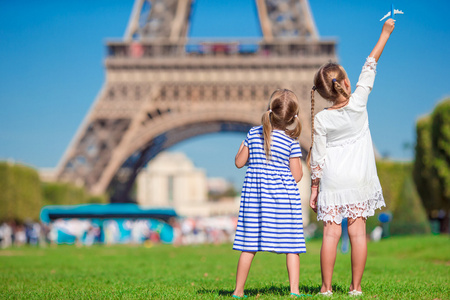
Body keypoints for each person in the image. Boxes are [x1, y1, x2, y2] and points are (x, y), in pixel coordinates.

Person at [308, 19, 396, 296]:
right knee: (358, 234)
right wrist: (385, 32)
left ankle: (325, 288)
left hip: (333, 180)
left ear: (322, 93)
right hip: (359, 177)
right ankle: (355, 288)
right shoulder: (359, 102)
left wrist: (314, 188)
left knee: (331, 235)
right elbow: (371, 62)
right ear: (345, 82)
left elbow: (318, 157)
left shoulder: (321, 119)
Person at [232, 89, 306, 298]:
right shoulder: (291, 141)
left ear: (269, 110)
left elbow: (239, 163)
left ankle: (238, 291)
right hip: (284, 200)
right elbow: (297, 176)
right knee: (292, 246)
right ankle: (294, 291)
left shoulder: (253, 134)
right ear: (292, 116)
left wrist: (243, 147)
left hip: (255, 201)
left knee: (248, 246)